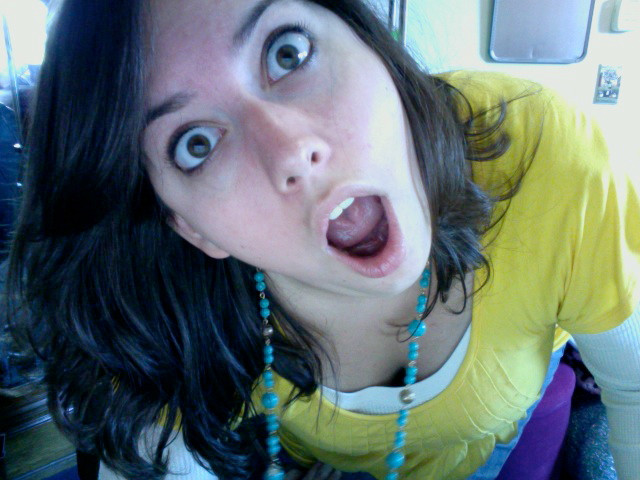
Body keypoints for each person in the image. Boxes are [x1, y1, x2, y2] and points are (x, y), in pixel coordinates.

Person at [4, 1, 639, 479]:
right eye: (196, 144)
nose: (290, 150)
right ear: (191, 227)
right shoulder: (157, 303)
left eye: (287, 52)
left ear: (371, 45)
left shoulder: (542, 153)